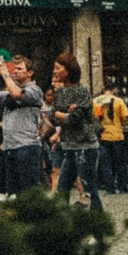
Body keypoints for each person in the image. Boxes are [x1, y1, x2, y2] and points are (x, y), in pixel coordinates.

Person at [44, 55, 103, 212]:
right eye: (54, 68)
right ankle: (65, 233)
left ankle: (98, 234)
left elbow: (77, 118)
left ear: (69, 70)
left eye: (58, 68)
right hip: (68, 147)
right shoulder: (60, 92)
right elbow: (53, 116)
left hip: (85, 146)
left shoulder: (81, 91)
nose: (54, 72)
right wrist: (65, 114)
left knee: (89, 191)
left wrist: (63, 114)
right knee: (62, 190)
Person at [0, 56, 48, 196]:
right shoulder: (10, 90)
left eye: (19, 69)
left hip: (27, 147)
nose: (15, 72)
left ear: (30, 73)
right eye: (14, 69)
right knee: (14, 193)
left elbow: (17, 94)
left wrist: (5, 74)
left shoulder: (35, 90)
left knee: (29, 193)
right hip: (11, 147)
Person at [92, 77, 128, 194]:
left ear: (103, 89)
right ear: (113, 90)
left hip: (103, 135)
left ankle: (109, 188)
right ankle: (122, 187)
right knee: (120, 164)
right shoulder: (119, 101)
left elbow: (95, 117)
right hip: (117, 135)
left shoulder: (96, 101)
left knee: (106, 164)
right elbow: (124, 119)